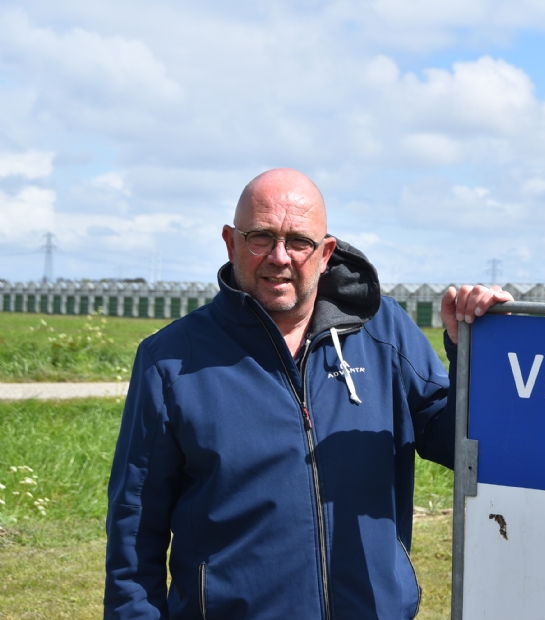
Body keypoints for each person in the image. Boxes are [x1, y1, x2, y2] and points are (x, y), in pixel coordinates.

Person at [103, 169, 512, 619]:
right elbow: (135, 525)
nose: (280, 257)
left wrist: (478, 356)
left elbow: (459, 443)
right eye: (260, 237)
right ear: (230, 241)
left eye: (299, 241)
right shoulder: (171, 359)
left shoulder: (384, 331)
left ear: (325, 253)